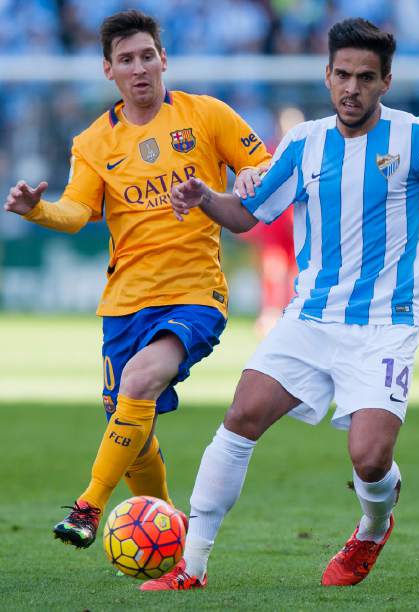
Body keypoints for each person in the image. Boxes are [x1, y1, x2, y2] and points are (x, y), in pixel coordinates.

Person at [140, 17, 419, 591]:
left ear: (386, 81)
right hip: (310, 317)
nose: (352, 88)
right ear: (327, 76)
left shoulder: (417, 138)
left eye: (365, 78)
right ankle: (191, 566)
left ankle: (373, 526)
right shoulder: (303, 142)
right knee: (241, 416)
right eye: (342, 75)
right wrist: (204, 198)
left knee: (369, 458)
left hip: (384, 323)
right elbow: (246, 216)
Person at [3, 9, 271, 549]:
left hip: (195, 293)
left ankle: (88, 506)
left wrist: (250, 174)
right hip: (124, 302)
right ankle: (171, 535)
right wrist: (38, 210)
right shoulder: (92, 142)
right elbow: (77, 211)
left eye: (148, 56)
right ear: (109, 69)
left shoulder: (207, 115)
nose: (139, 67)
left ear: (163, 59)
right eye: (126, 59)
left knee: (139, 381)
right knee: (132, 428)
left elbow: (264, 162)